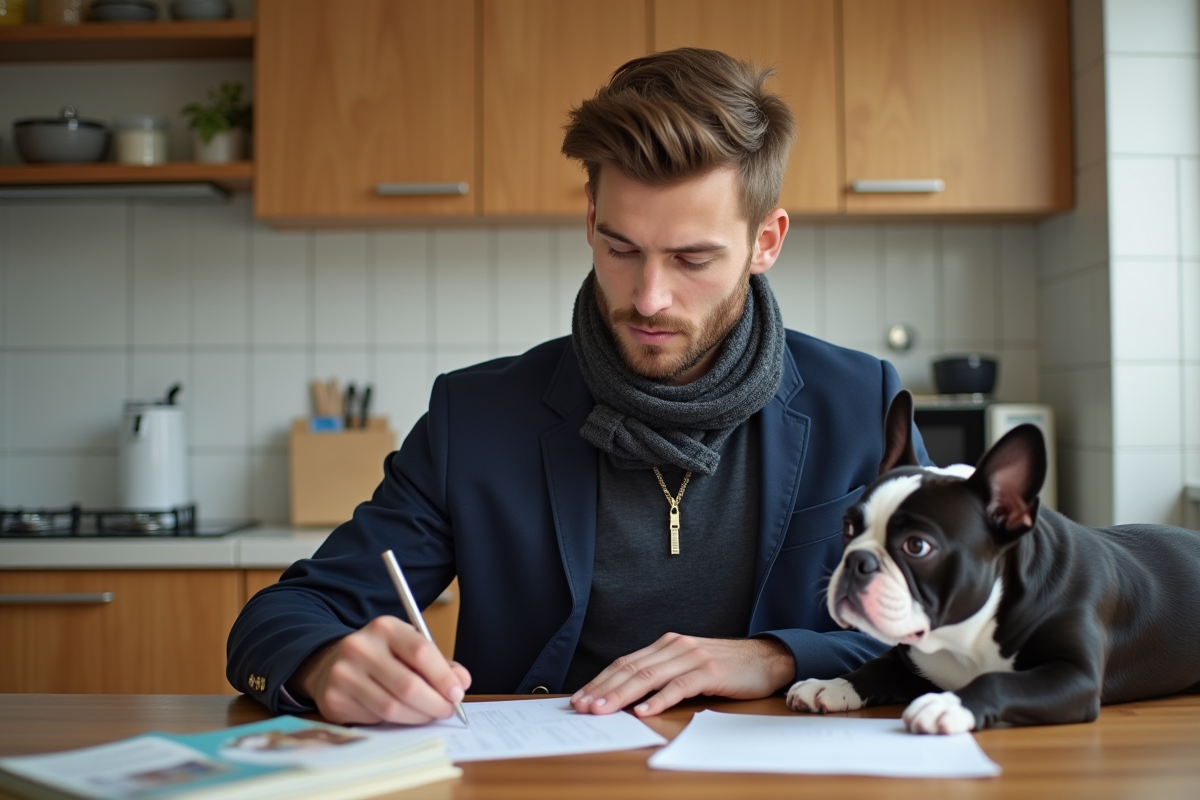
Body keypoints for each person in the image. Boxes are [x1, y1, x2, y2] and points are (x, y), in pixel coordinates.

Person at [227, 47, 929, 726]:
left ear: (765, 243)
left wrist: (780, 657)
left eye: (692, 259)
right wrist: (322, 663)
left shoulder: (858, 403)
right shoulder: (474, 417)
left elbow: (953, 621)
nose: (649, 298)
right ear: (591, 219)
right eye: (622, 248)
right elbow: (280, 620)